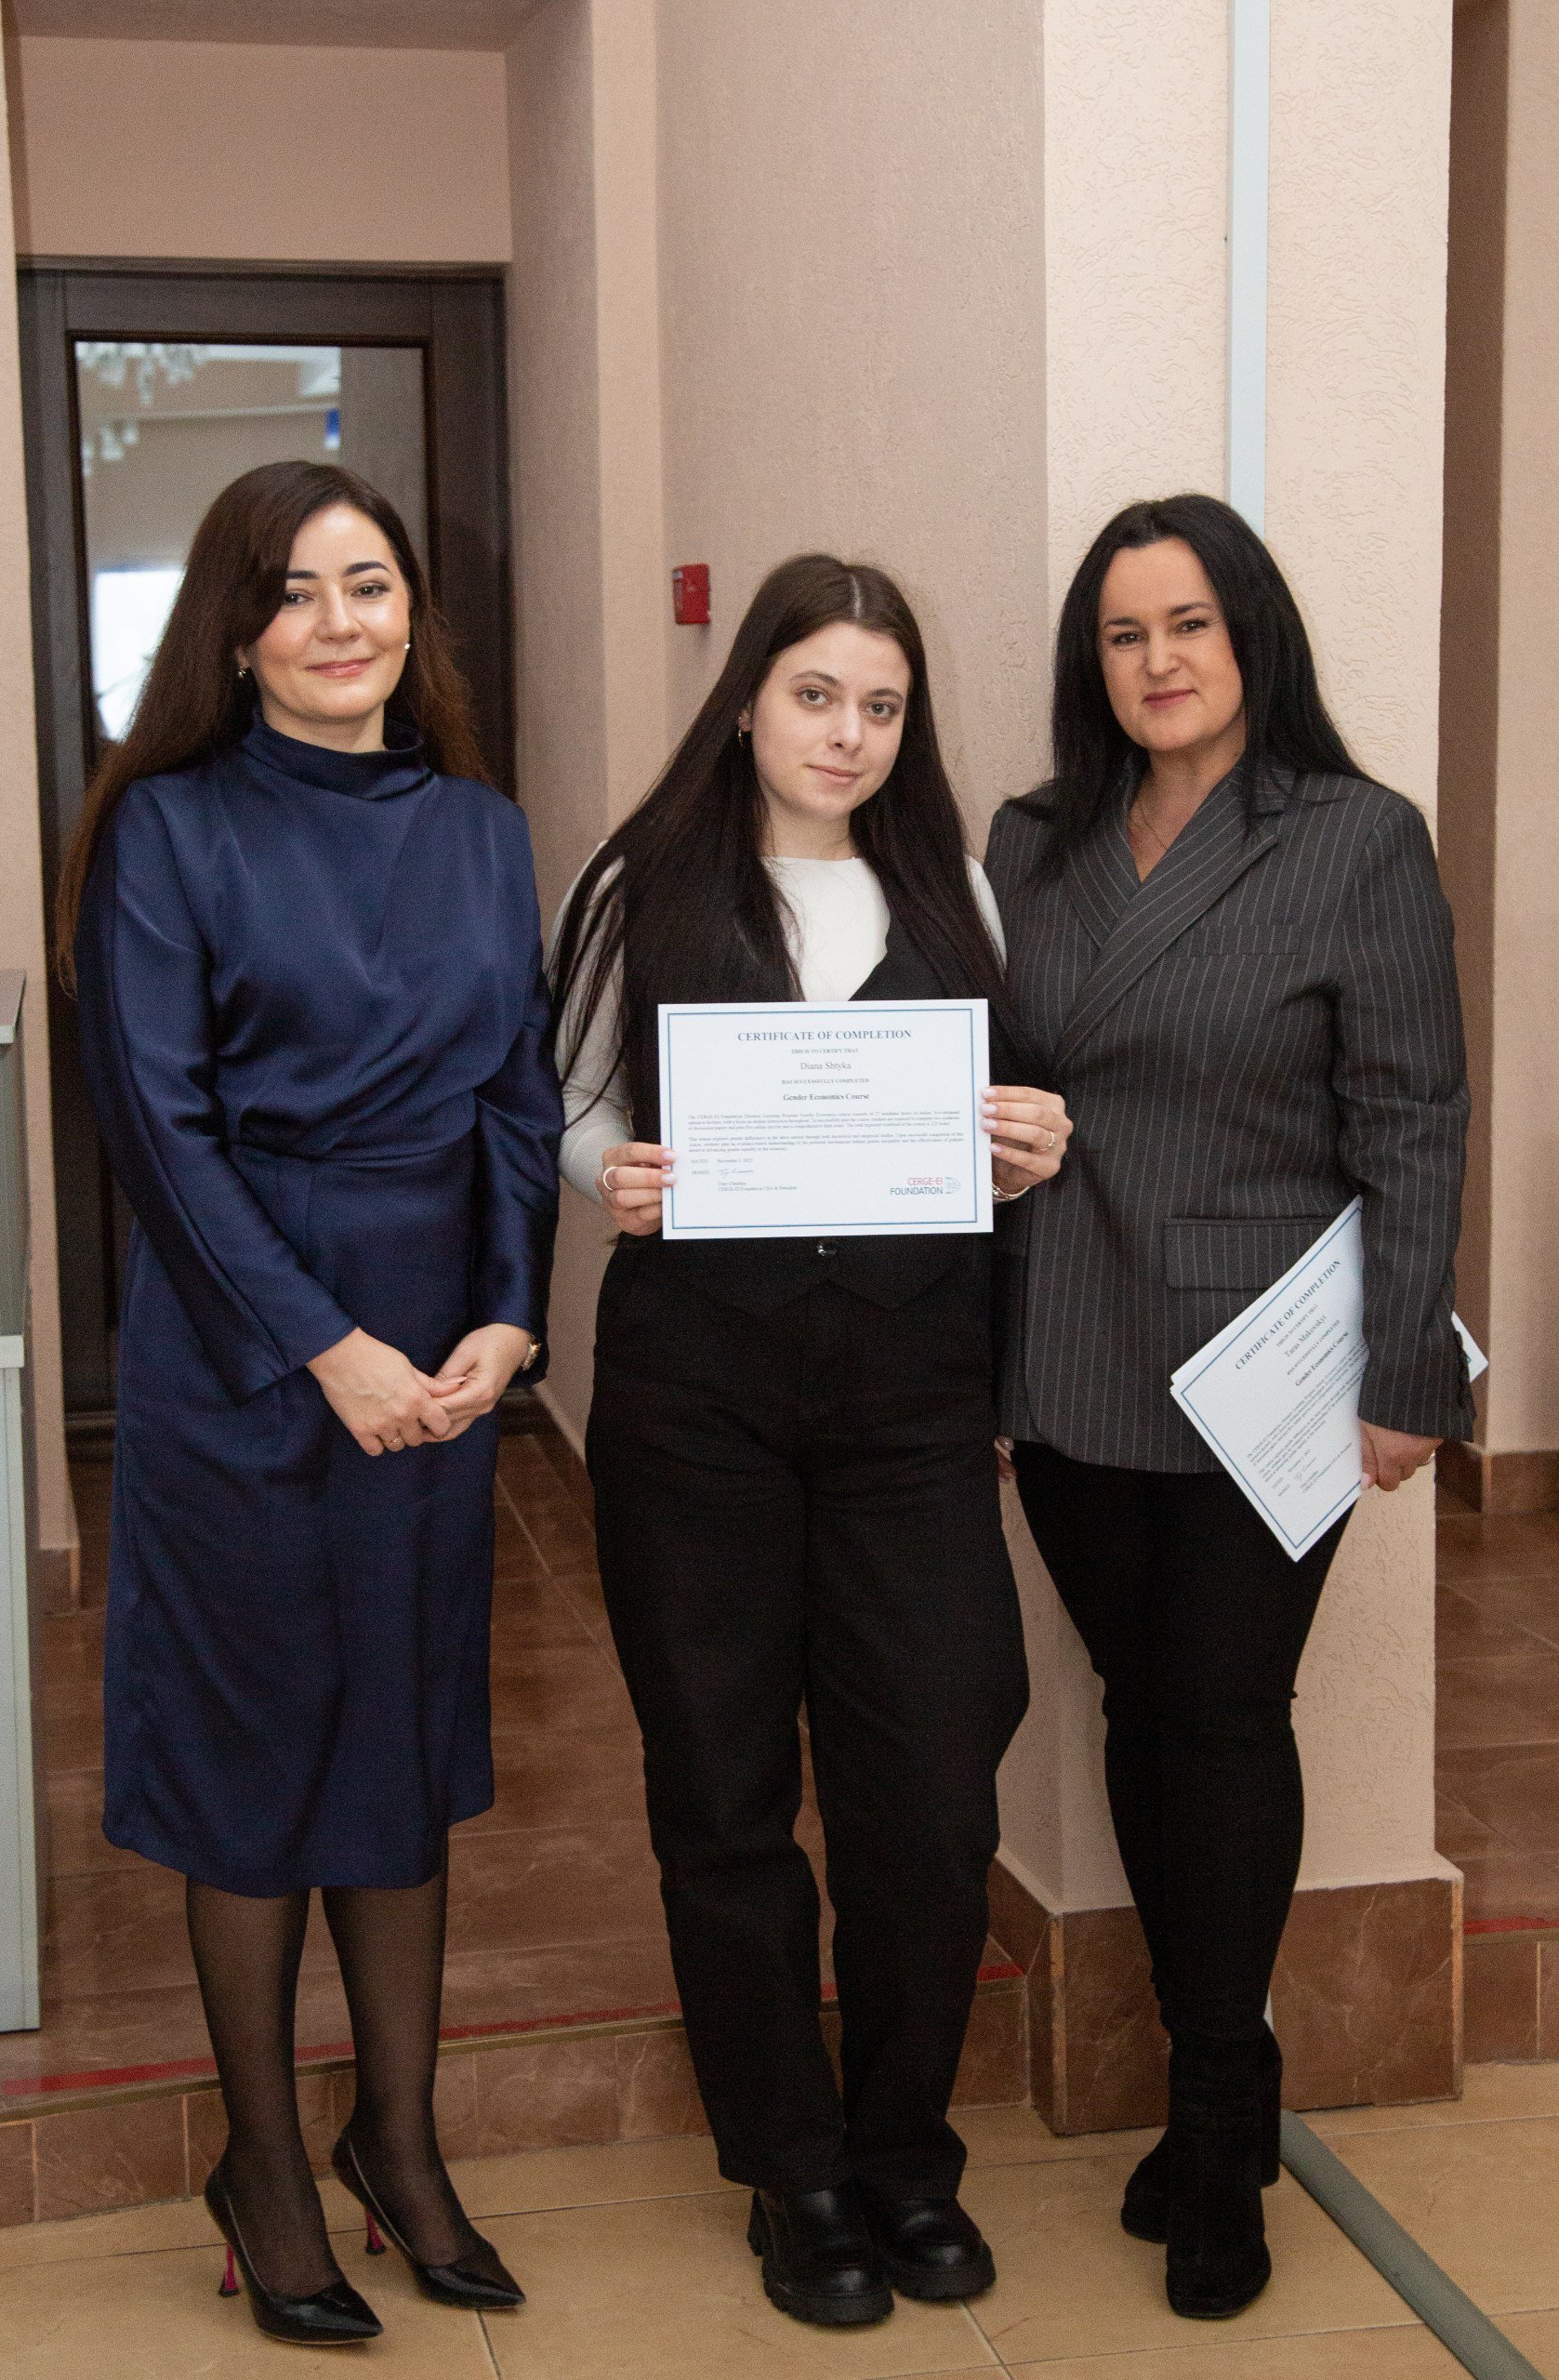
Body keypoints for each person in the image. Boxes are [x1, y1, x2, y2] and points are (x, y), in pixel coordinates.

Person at [60, 461, 562, 2348]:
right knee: (255, 1758)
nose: (340, 622)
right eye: (295, 590)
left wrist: (507, 1317)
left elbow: (516, 1098)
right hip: (245, 1347)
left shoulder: (482, 831)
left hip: (435, 1348)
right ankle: (265, 2164)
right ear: (236, 630)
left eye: (370, 584)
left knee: (403, 1737)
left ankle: (398, 2141)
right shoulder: (167, 827)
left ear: (413, 613)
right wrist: (322, 1346)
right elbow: (159, 1129)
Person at [551, 553, 1070, 2329]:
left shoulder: (952, 889)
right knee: (720, 1794)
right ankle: (792, 2172)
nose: (846, 733)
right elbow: (573, 1101)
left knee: (928, 1791)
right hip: (694, 1403)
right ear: (748, 701)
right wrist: (611, 1175)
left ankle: (905, 2153)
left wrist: (1025, 1147)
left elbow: (996, 1121)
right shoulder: (639, 877)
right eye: (815, 694)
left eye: (880, 705)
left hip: (910, 1409)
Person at [987, 494, 1473, 2320]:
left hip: (1259, 1360)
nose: (1157, 660)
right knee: (1139, 1702)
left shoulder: (1354, 835)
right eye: (1123, 633)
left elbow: (1411, 1110)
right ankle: (1222, 2078)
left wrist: (1406, 1370)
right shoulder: (1033, 838)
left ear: (1250, 632)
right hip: (1064, 1333)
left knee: (1219, 1710)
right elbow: (989, 1058)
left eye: (1187, 622)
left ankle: (1215, 2111)